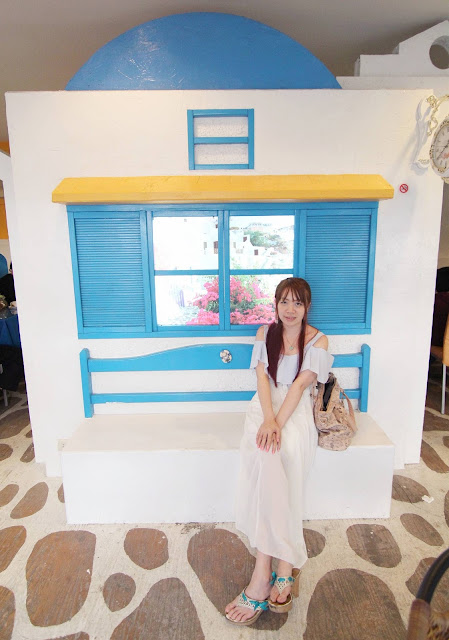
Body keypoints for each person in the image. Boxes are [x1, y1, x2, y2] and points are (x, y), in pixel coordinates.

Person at [225, 277, 333, 626]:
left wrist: (278, 423)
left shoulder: (317, 340)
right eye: (284, 302)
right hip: (264, 406)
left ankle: (266, 571)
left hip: (295, 411)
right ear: (275, 304)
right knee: (266, 456)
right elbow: (262, 379)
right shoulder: (265, 334)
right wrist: (268, 420)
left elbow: (300, 386)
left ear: (307, 307)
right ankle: (282, 568)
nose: (290, 309)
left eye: (297, 303)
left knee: (282, 456)